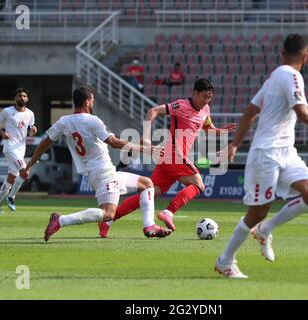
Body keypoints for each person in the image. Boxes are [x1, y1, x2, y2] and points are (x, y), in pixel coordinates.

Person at [214, 34, 308, 278]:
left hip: (286, 151)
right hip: (266, 153)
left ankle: (265, 230)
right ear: (306, 55)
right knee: (256, 212)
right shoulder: (291, 76)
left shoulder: (274, 77)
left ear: (282, 53)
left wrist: (235, 144)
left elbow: (248, 113)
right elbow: (303, 113)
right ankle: (225, 261)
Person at [19, 86, 171, 241]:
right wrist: (146, 148)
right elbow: (113, 142)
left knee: (147, 184)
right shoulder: (92, 120)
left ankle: (148, 225)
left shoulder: (64, 122)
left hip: (96, 173)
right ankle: (61, 220)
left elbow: (44, 143)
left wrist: (29, 165)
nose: (93, 103)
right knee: (107, 213)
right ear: (86, 102)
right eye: (92, 101)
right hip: (104, 172)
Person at [99, 79, 236, 238]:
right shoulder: (181, 105)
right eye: (204, 96)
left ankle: (108, 219)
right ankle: (168, 212)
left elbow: (208, 128)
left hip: (168, 158)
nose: (207, 101)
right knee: (199, 185)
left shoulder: (205, 109)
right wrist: (147, 136)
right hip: (174, 154)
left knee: (149, 192)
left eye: (209, 97)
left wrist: (221, 131)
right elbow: (153, 111)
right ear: (195, 93)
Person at [0, 88, 37, 214]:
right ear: (15, 98)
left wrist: (33, 131)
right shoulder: (7, 111)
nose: (22, 98)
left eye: (24, 96)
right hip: (10, 147)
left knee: (11, 178)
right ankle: (12, 197)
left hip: (21, 149)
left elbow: (31, 129)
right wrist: (2, 133)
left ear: (27, 99)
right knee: (25, 172)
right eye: (19, 96)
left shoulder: (30, 114)